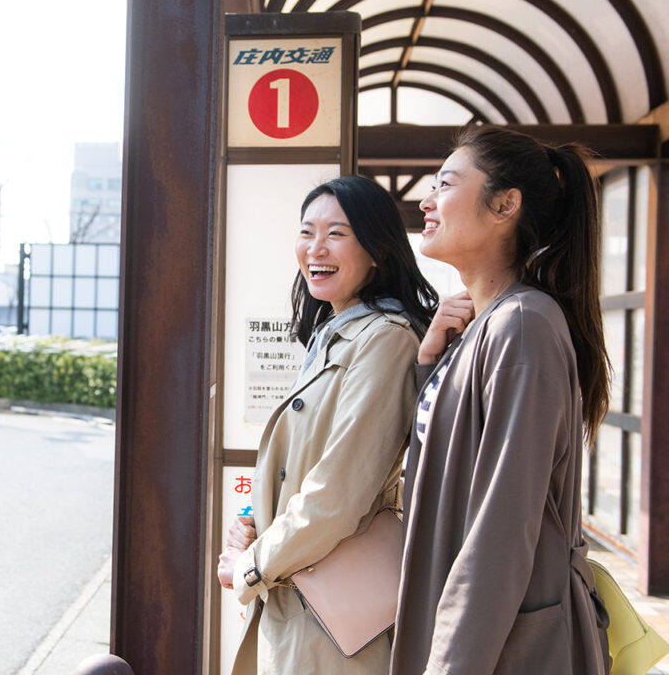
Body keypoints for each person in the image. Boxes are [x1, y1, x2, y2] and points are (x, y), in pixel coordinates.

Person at [390, 125, 611, 675]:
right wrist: (429, 367)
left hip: (504, 649)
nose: (426, 199)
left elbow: (501, 529)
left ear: (506, 204)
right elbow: (440, 471)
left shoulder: (522, 324)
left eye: (444, 182)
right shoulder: (486, 327)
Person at [218, 176, 437, 674]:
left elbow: (338, 493)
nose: (316, 247)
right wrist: (255, 516)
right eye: (307, 231)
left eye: (337, 233)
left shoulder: (385, 339)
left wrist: (251, 566)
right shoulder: (332, 334)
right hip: (301, 592)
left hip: (333, 615)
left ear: (377, 249)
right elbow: (304, 462)